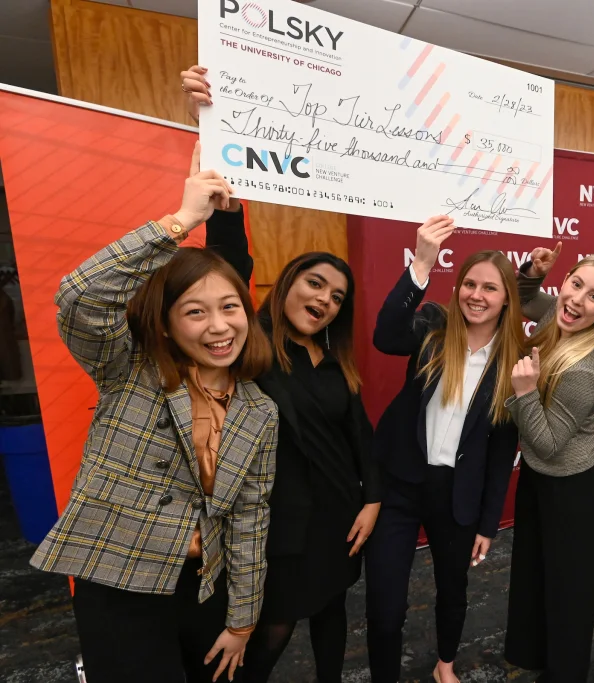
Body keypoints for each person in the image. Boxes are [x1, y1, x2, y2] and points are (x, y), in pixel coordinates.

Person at [31, 143, 278, 683]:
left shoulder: (259, 410)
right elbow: (80, 295)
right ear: (165, 324)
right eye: (195, 312)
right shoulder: (129, 367)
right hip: (117, 581)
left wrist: (242, 619)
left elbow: (250, 518)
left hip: (203, 585)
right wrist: (182, 220)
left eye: (230, 307)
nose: (219, 327)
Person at [186, 65, 382, 683]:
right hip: (279, 527)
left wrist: (373, 498)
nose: (323, 299)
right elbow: (228, 265)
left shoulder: (336, 361)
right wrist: (224, 190)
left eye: (336, 296)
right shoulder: (253, 345)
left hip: (340, 516)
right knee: (270, 631)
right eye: (315, 283)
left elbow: (359, 434)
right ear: (290, 281)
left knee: (333, 610)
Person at [365, 217, 522, 683]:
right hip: (400, 485)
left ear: (506, 298)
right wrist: (422, 263)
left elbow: (502, 452)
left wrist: (489, 523)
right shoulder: (433, 326)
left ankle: (445, 666)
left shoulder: (513, 361)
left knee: (453, 591)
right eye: (470, 284)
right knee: (385, 605)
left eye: (490, 288)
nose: (477, 295)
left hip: (457, 495)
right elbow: (385, 336)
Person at [503, 246, 594, 682]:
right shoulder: (555, 313)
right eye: (576, 284)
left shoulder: (586, 370)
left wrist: (523, 392)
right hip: (540, 475)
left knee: (569, 589)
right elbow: (521, 298)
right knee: (535, 573)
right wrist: (532, 273)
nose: (577, 300)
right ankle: (537, 655)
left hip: (574, 486)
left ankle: (565, 674)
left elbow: (549, 443)